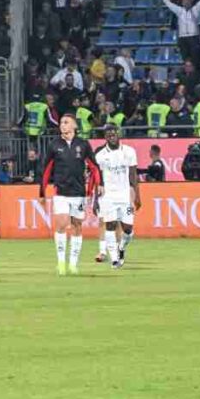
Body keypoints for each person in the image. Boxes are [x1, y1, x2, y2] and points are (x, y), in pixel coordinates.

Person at [39, 113, 101, 276]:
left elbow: (94, 167)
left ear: (75, 125)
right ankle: (61, 262)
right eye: (61, 122)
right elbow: (46, 169)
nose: (63, 125)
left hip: (79, 193)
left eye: (66, 122)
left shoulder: (83, 144)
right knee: (61, 224)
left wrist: (99, 184)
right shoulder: (54, 145)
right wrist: (42, 192)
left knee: (77, 226)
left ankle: (73, 264)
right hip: (61, 192)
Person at [93, 125, 141, 269]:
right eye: (108, 135)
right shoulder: (100, 155)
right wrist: (96, 200)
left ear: (118, 135)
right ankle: (114, 259)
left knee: (128, 229)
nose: (112, 137)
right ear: (105, 137)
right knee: (110, 225)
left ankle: (121, 248)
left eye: (114, 134)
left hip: (125, 196)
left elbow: (133, 175)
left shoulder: (129, 152)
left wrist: (137, 196)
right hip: (108, 196)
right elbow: (97, 180)